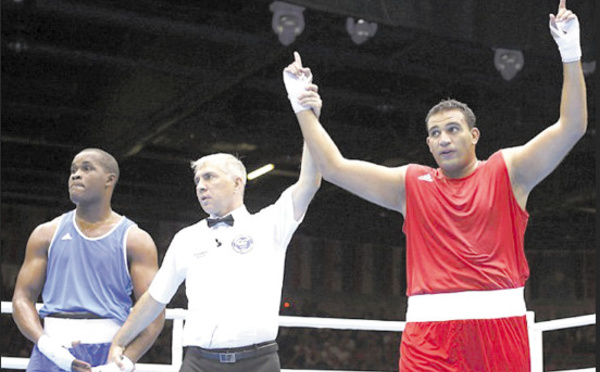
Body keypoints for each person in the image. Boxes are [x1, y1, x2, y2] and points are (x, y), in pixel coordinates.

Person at [282, 0, 586, 370]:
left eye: (453, 129)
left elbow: (571, 126)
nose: (443, 138)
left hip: (499, 329)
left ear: (474, 135)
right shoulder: (411, 184)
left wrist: (570, 50)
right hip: (430, 333)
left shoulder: (509, 170)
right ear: (428, 144)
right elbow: (333, 167)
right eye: (435, 133)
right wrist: (301, 106)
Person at [103, 143, 321, 372]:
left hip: (258, 363)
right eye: (197, 181)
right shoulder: (186, 238)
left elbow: (309, 183)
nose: (201, 187)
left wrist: (307, 116)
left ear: (237, 182)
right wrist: (120, 340)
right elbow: (155, 298)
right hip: (199, 363)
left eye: (209, 177)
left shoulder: (269, 225)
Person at [11, 148, 165, 372]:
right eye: (73, 170)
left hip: (108, 352)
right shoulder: (45, 234)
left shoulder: (135, 240)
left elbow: (154, 309)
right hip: (50, 350)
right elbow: (21, 299)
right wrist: (46, 345)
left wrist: (125, 362)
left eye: (86, 168)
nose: (75, 175)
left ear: (109, 180)